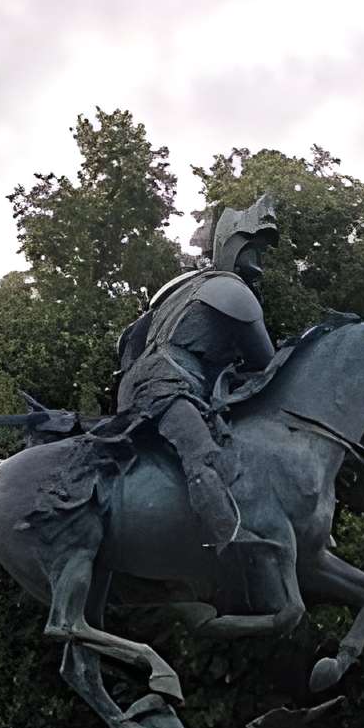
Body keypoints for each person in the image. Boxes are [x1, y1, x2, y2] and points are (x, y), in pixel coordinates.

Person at [114, 193, 278, 552]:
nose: (260, 259)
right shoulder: (231, 290)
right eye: (255, 249)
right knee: (203, 454)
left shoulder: (177, 292)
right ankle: (231, 544)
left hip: (139, 387)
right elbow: (269, 367)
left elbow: (128, 344)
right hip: (167, 386)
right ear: (235, 245)